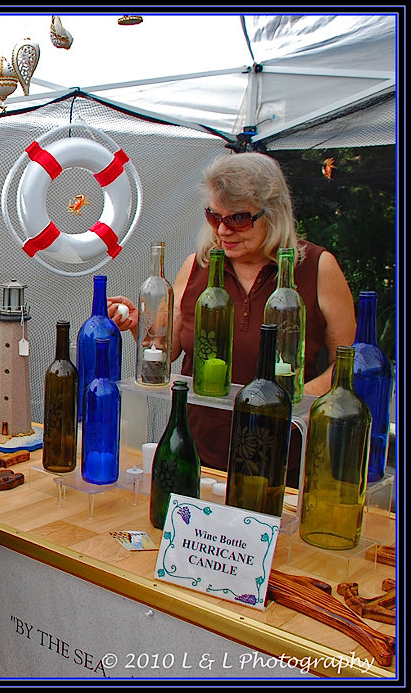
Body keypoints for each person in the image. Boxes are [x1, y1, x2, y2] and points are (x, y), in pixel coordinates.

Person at [110, 151, 356, 485]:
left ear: (274, 212)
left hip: (283, 463)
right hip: (199, 454)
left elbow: (348, 361)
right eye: (213, 217)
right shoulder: (196, 265)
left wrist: (295, 402)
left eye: (238, 218)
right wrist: (141, 325)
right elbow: (170, 348)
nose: (223, 230)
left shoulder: (317, 267)